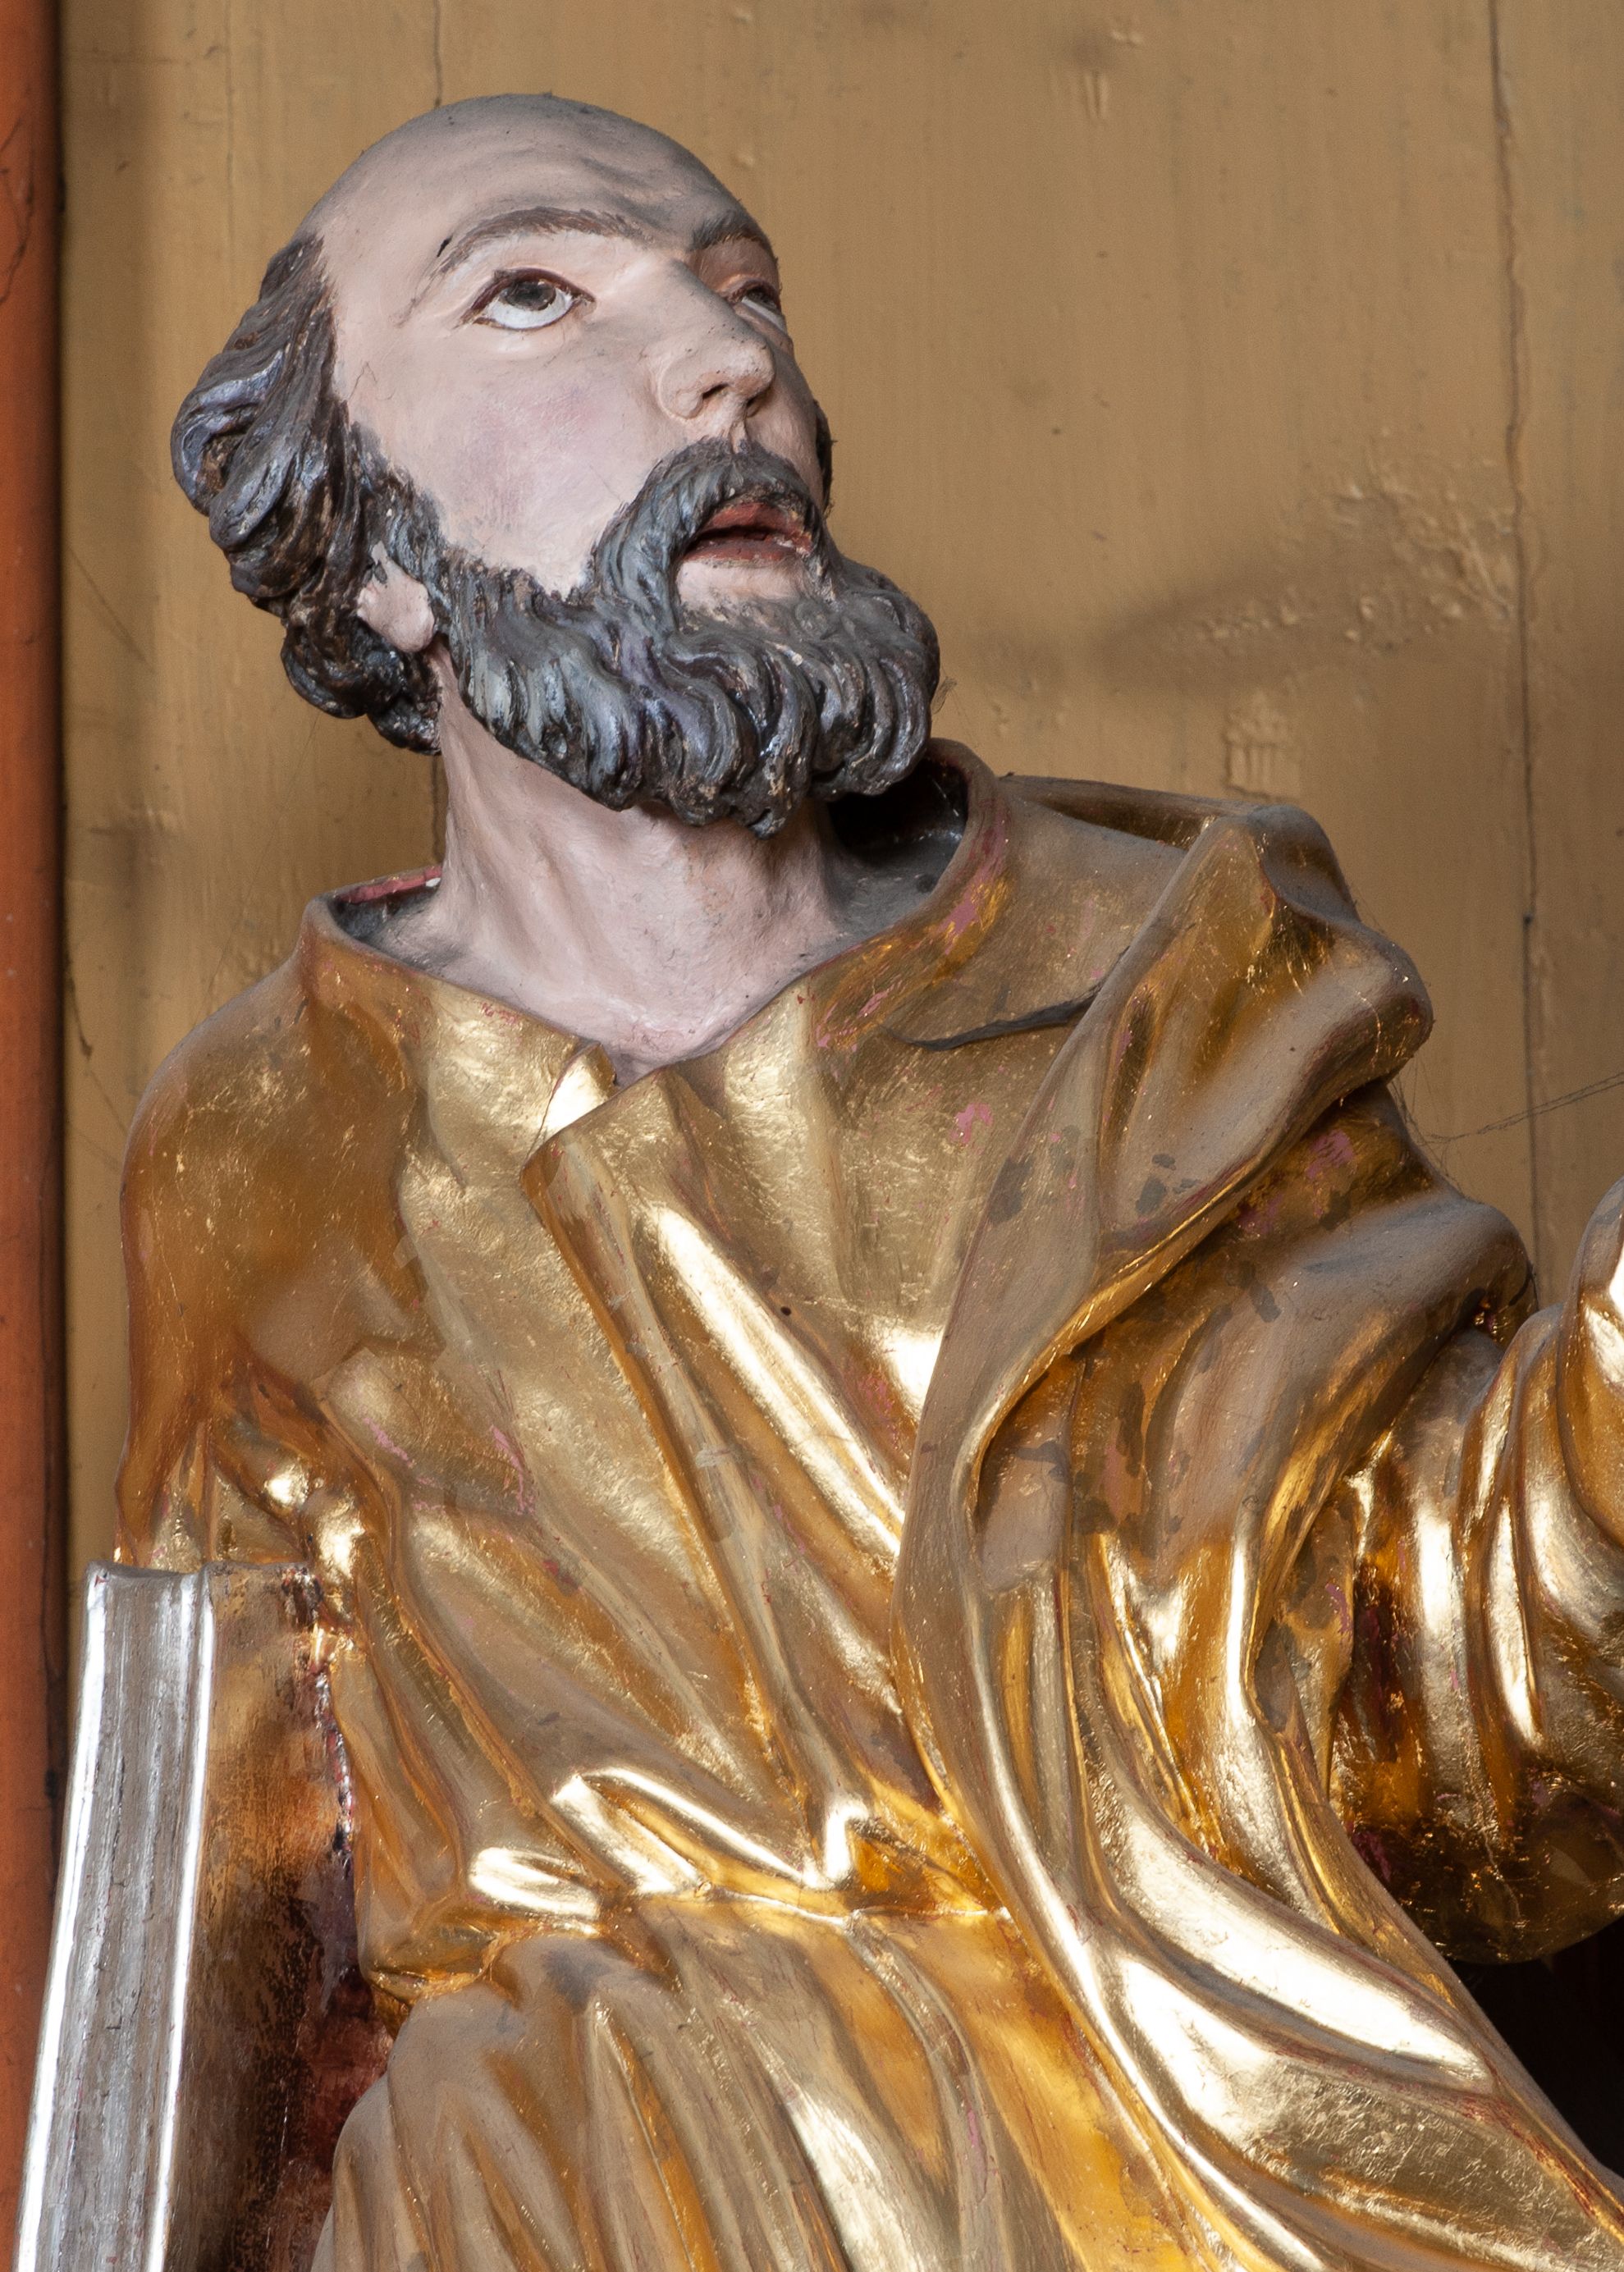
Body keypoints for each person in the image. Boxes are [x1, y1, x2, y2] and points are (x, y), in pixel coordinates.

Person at [125, 91, 1624, 2270]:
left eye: (746, 294)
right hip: (548, 2206)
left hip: (1158, 2182)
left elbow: (1469, 1738)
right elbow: (217, 1965)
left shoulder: (1170, 995)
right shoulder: (261, 1146)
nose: (726, 361)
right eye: (537, 295)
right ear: (369, 551)